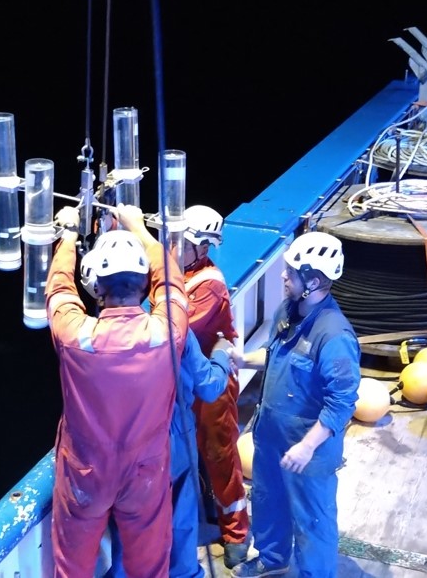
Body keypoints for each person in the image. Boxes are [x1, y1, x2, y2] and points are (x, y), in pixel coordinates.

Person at [46, 204, 188, 578]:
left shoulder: (76, 335)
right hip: (146, 470)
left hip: (86, 475)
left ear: (96, 286)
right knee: (150, 563)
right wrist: (139, 229)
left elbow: (59, 288)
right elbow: (171, 282)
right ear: (142, 283)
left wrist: (69, 237)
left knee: (72, 565)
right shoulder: (166, 332)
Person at [80, 248, 235, 578]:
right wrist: (222, 354)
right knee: (181, 523)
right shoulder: (174, 330)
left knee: (130, 530)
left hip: (128, 456)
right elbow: (209, 386)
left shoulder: (90, 343)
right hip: (177, 446)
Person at [231, 231, 361, 578]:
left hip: (308, 451)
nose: (283, 276)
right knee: (268, 501)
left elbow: (342, 402)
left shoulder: (333, 336)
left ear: (314, 281)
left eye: (291, 272)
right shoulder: (289, 311)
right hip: (272, 437)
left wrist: (306, 446)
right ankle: (273, 559)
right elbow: (275, 356)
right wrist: (242, 360)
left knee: (312, 520)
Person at [178, 205, 252, 569]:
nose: (172, 246)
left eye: (182, 241)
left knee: (220, 458)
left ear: (202, 248)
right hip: (187, 384)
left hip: (214, 386)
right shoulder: (182, 271)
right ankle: (202, 517)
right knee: (189, 455)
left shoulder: (209, 284)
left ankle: (236, 535)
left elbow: (176, 330)